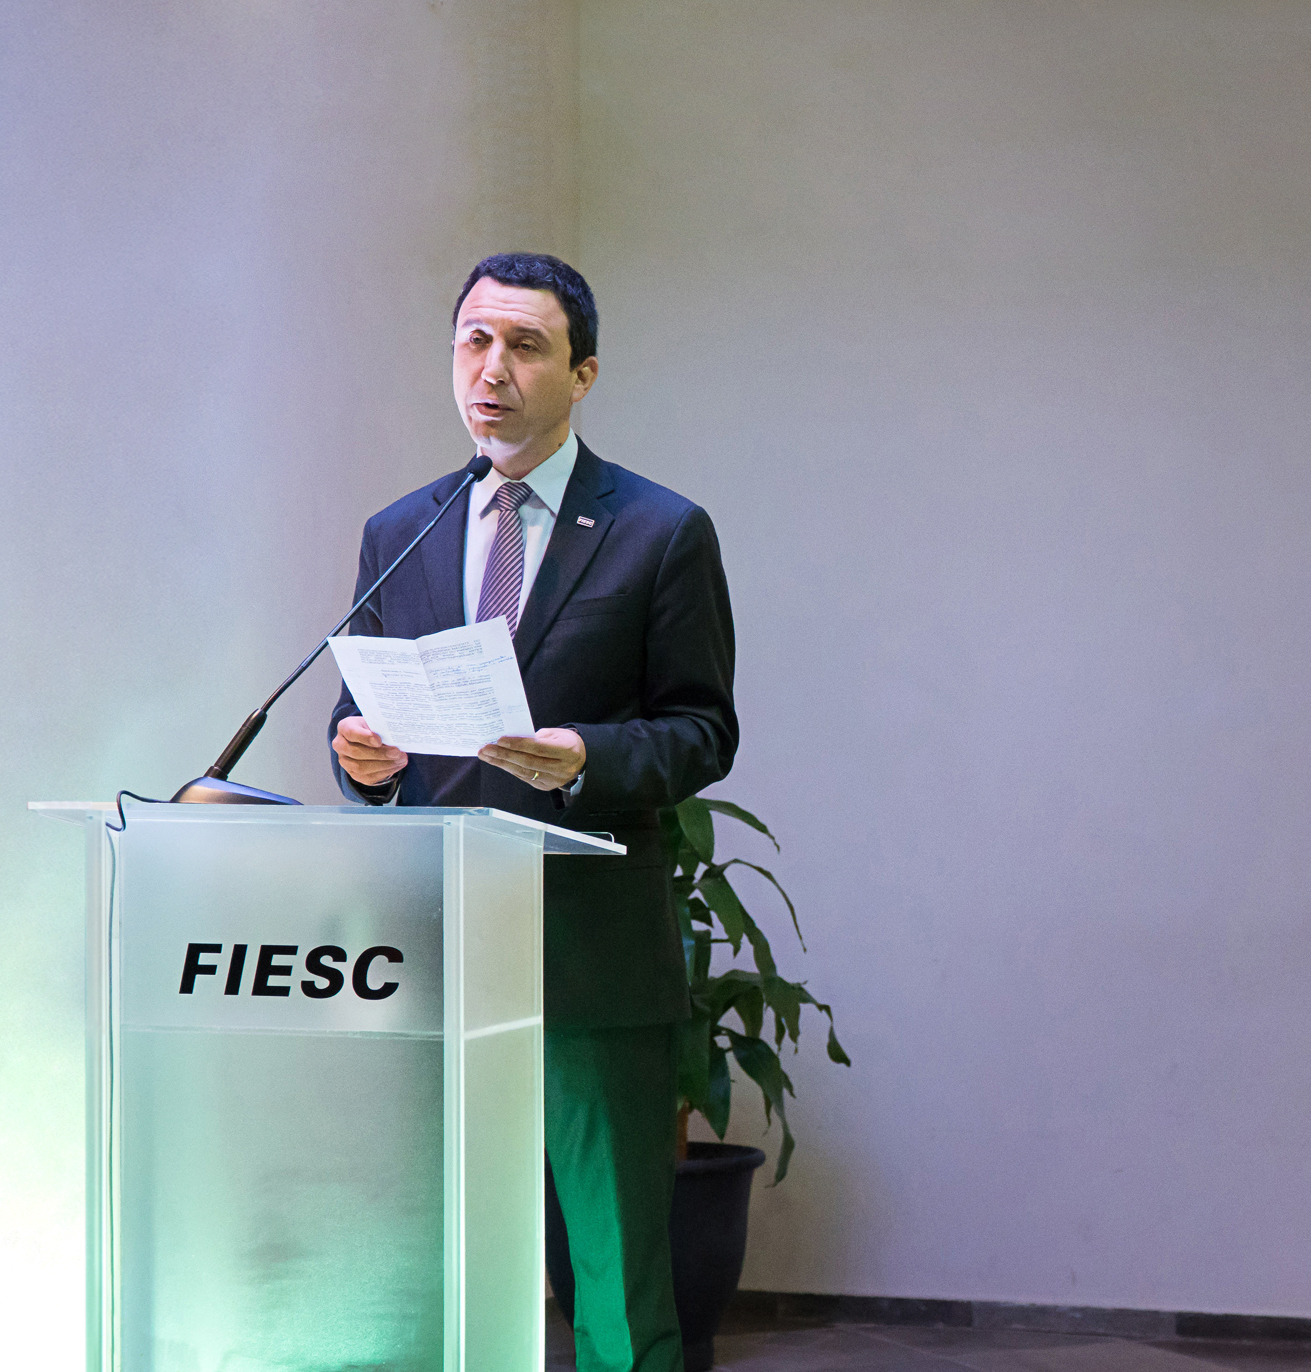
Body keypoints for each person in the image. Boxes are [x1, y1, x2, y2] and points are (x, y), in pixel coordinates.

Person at [328, 252, 735, 1372]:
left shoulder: (660, 530)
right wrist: (362, 758)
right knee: (431, 1247)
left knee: (615, 1268)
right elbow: (360, 712)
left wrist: (584, 757)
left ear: (582, 373)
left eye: (524, 345)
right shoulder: (401, 530)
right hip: (434, 945)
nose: (491, 369)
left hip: (591, 949)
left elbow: (703, 730)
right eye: (474, 341)